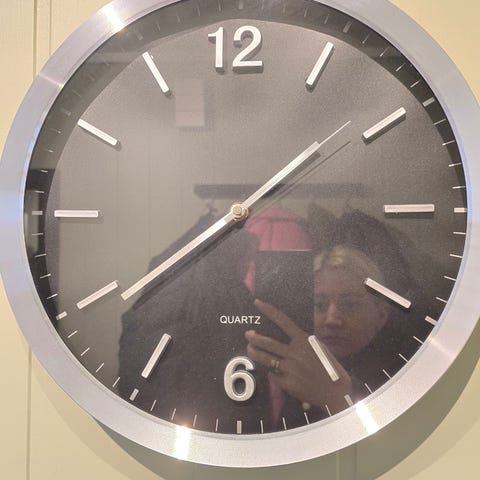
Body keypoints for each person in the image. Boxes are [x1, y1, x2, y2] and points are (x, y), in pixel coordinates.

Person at [245, 244, 409, 422]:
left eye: (349, 305)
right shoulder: (295, 369)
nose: (332, 320)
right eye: (319, 305)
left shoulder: (405, 371)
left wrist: (337, 396)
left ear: (381, 315)